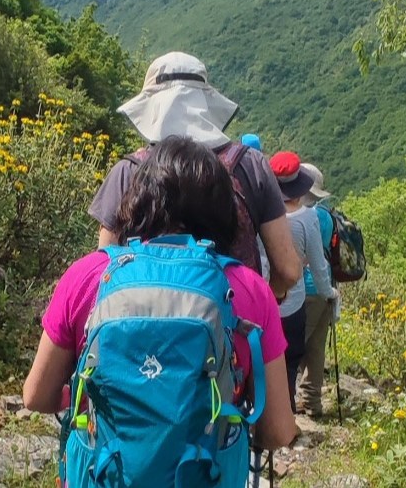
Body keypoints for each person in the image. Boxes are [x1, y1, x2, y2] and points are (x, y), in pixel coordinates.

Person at [23, 135, 297, 454]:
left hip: (106, 471)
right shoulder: (250, 289)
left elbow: (36, 396)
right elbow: (278, 430)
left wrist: (91, 400)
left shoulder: (88, 276)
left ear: (138, 199)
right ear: (225, 212)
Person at [89, 52, 301, 299]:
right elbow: (288, 270)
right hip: (233, 325)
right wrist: (262, 301)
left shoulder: (128, 172)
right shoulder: (250, 166)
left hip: (144, 326)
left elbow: (103, 270)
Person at [296, 162, 338, 417]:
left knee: (293, 345)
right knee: (316, 348)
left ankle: (289, 403)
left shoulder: (301, 217)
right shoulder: (326, 217)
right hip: (326, 289)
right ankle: (313, 403)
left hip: (305, 289)